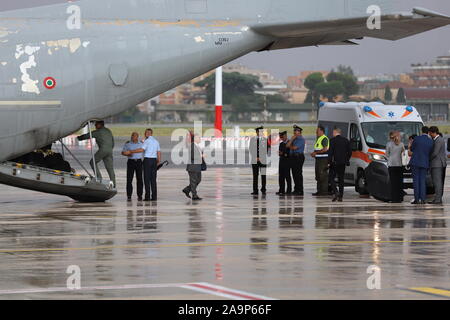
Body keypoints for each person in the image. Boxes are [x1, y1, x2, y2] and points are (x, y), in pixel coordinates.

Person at [125, 128, 161, 201]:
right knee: (153, 179)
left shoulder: (147, 141)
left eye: (146, 133)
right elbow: (159, 152)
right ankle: (154, 197)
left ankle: (147, 197)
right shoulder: (156, 141)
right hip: (154, 160)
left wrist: (131, 151)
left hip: (147, 160)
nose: (145, 134)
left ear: (147, 134)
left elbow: (142, 150)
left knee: (146, 179)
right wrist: (158, 161)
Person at [77, 120, 116, 187]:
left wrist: (79, 138)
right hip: (110, 150)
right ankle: (114, 184)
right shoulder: (108, 131)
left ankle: (99, 179)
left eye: (96, 124)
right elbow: (113, 142)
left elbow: (88, 135)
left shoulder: (98, 132)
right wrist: (109, 149)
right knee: (110, 168)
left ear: (100, 125)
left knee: (92, 162)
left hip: (103, 149)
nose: (95, 126)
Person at [409, 126, 433, 205]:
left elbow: (412, 149)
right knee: (422, 181)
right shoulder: (430, 141)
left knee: (416, 181)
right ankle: (423, 199)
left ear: (421, 131)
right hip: (424, 163)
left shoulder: (417, 138)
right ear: (428, 132)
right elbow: (430, 152)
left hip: (415, 162)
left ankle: (416, 199)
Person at [328, 128, 352, 202]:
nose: (332, 133)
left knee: (331, 178)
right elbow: (350, 152)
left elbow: (330, 153)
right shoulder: (346, 140)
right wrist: (346, 160)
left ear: (335, 132)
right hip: (343, 163)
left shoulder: (332, 140)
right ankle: (341, 196)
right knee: (341, 179)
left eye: (333, 132)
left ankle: (336, 191)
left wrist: (329, 162)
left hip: (334, 163)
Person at [122, 132, 144, 201]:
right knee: (129, 179)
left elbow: (144, 151)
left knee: (140, 179)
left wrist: (131, 152)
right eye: (132, 136)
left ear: (137, 137)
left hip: (139, 162)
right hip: (131, 162)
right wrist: (127, 154)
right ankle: (129, 195)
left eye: (134, 136)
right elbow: (123, 152)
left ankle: (140, 195)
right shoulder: (127, 144)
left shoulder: (141, 144)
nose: (132, 137)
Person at [182, 132, 204, 201]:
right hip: (193, 167)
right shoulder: (192, 146)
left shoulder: (197, 146)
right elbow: (192, 156)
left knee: (198, 180)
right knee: (194, 181)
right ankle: (194, 195)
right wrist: (200, 156)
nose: (200, 139)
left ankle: (187, 189)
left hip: (197, 166)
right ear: (195, 139)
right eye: (199, 138)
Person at [428, 126, 447, 204]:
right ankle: (438, 198)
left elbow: (435, 153)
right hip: (438, 163)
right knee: (438, 182)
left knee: (437, 182)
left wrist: (428, 158)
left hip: (437, 164)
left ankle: (438, 199)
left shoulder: (438, 140)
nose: (429, 135)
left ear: (433, 133)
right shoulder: (438, 139)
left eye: (430, 133)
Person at [386, 131, 405, 203]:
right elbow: (403, 154)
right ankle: (400, 198)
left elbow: (387, 154)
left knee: (393, 183)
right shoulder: (401, 144)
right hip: (399, 165)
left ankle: (394, 198)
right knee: (399, 182)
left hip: (391, 165)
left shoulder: (389, 144)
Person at [249, 126, 269, 195]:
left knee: (263, 175)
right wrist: (256, 157)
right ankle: (255, 190)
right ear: (257, 132)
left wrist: (260, 157)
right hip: (254, 160)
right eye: (259, 132)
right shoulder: (252, 139)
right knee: (255, 176)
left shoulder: (265, 140)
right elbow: (251, 149)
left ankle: (263, 189)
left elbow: (266, 150)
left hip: (263, 159)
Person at [286, 125, 305, 196]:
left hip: (298, 157)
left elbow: (294, 148)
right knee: (294, 174)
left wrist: (291, 145)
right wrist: (291, 140)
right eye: (294, 131)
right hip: (293, 157)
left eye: (295, 131)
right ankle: (296, 189)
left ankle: (300, 190)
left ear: (299, 132)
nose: (294, 132)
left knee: (298, 174)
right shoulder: (294, 139)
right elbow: (287, 146)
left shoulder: (301, 139)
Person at [311, 126, 329, 196]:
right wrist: (314, 153)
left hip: (323, 160)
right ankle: (319, 191)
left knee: (323, 176)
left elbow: (325, 149)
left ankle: (324, 192)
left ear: (322, 131)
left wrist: (316, 153)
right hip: (318, 159)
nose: (316, 132)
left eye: (317, 131)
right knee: (318, 176)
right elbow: (318, 149)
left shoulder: (324, 138)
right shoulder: (319, 138)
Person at [277, 131, 292, 195]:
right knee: (281, 177)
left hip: (287, 161)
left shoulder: (289, 143)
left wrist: (283, 153)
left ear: (285, 136)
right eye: (280, 137)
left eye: (282, 137)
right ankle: (281, 190)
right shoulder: (281, 144)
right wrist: (283, 153)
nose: (281, 138)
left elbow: (288, 153)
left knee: (287, 176)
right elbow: (281, 153)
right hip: (282, 161)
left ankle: (289, 190)